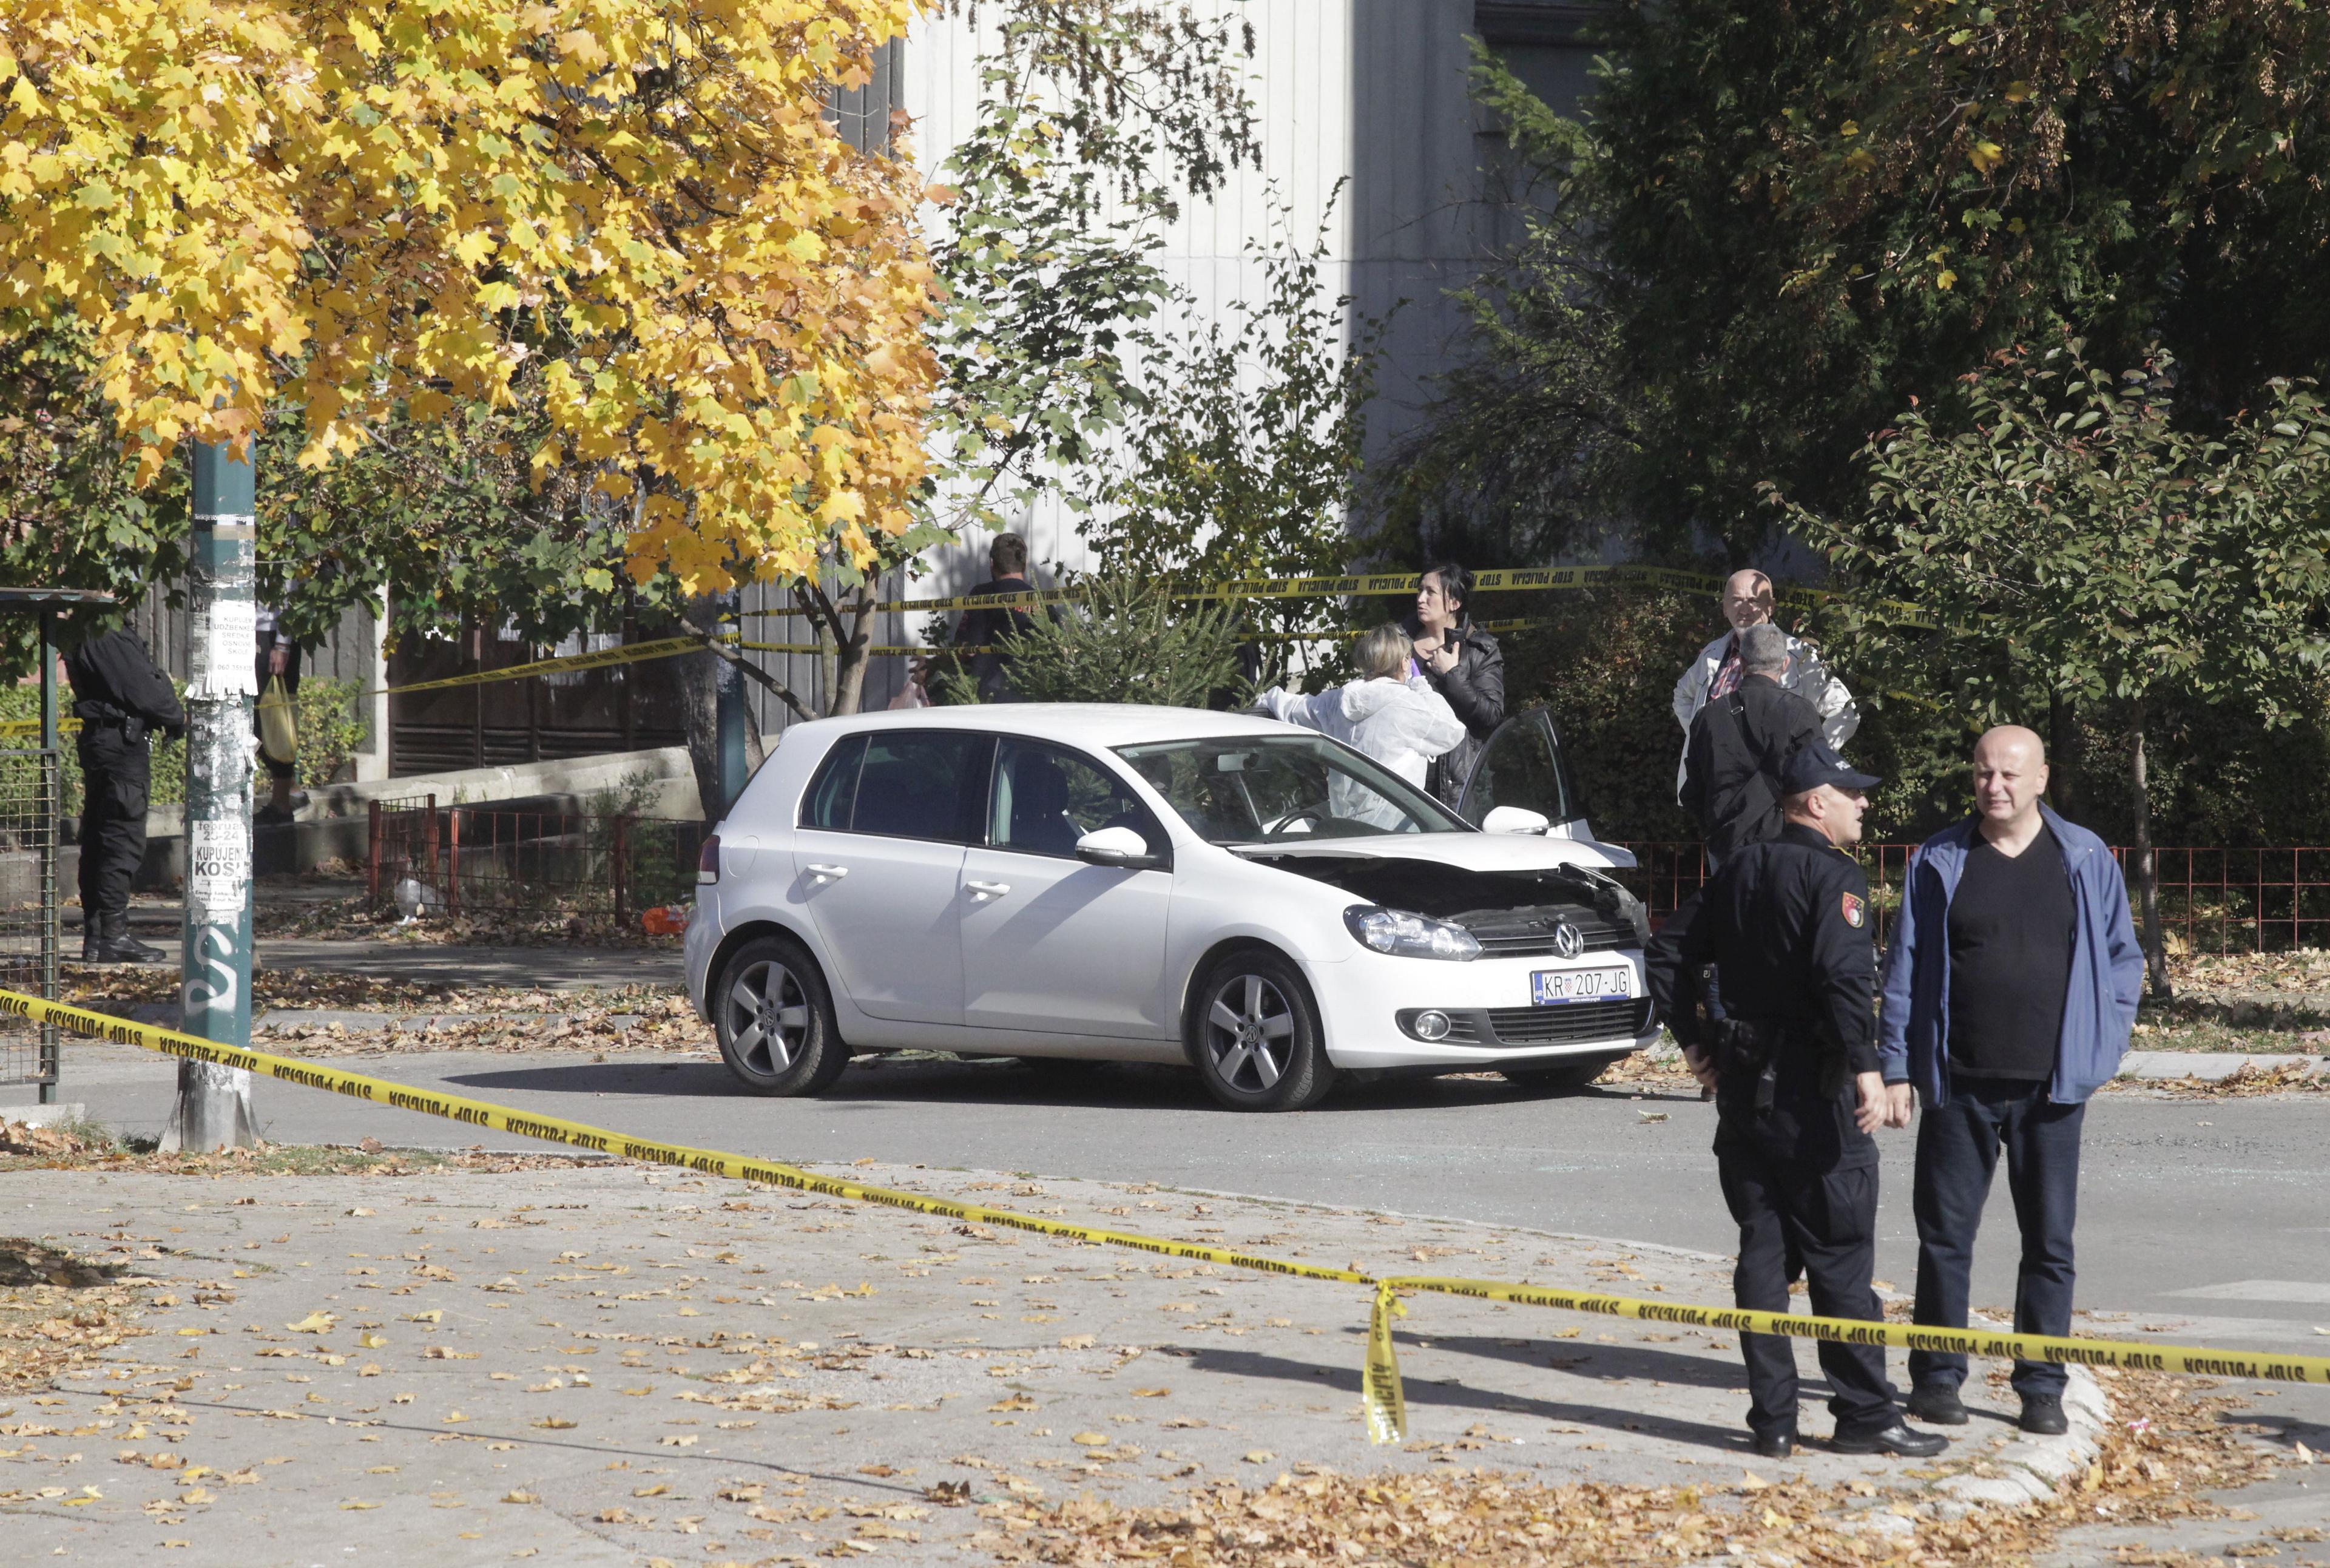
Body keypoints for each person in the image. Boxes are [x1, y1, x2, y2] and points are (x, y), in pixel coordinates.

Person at [1648, 738, 1946, 1461]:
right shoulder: (1834, 877)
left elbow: (1665, 954)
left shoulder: (1740, 867)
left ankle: (1773, 1422)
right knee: (1840, 1260)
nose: (1864, 803)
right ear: (1816, 803)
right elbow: (1843, 980)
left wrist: (1691, 1040)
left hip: (1746, 1096)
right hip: (1816, 1098)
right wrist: (1867, 1067)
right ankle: (1866, 1416)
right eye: (1852, 793)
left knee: (1763, 1257)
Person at [1878, 726, 2143, 1437]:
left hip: (2051, 1089)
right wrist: (1898, 1066)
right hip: (1957, 1081)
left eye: (2008, 775)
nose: (1994, 786)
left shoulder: (2084, 856)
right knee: (1944, 1240)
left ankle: (2041, 1385)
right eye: (1983, 773)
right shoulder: (1939, 857)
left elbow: (2123, 959)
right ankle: (1936, 1380)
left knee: (2050, 1244)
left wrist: (2105, 1044)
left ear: (2041, 780)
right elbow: (1903, 968)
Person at [1254, 626, 1465, 826]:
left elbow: (1296, 709)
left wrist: (1266, 700)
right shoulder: (1409, 704)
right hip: (1396, 827)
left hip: (1347, 824)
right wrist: (1421, 685)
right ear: (1405, 663)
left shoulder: (1338, 700)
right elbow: (1452, 732)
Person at [1672, 569, 1857, 796]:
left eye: (1754, 601)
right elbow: (1683, 696)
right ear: (1724, 608)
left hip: (1774, 796)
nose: (1745, 609)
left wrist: (1811, 762)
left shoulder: (1799, 655)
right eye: (1737, 600)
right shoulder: (1712, 654)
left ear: (1771, 607)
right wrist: (1702, 740)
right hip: (1717, 792)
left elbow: (1846, 711)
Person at [65, 620, 185, 964]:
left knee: (102, 838)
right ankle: (111, 937)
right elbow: (144, 690)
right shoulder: (104, 630)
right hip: (121, 745)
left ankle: (100, 936)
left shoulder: (87, 628)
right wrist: (175, 716)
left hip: (108, 742)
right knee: (121, 837)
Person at [1680, 623, 1823, 866]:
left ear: (1741, 662)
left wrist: (1715, 830)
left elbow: (1692, 792)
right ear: (1785, 664)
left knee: (1731, 904)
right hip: (1786, 846)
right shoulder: (1800, 712)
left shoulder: (1708, 717)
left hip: (1726, 845)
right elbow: (1819, 781)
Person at [1400, 563, 1504, 806]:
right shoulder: (1397, 644)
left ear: (1454, 604)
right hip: (1402, 780)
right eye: (1420, 591)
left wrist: (1451, 675)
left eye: (1431, 592)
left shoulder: (1480, 649)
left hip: (1458, 787)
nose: (1421, 599)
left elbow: (1491, 716)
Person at [954, 533, 1043, 702]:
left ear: (992, 564)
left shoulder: (980, 596)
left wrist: (935, 664)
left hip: (983, 696)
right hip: (1029, 696)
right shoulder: (1041, 600)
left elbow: (965, 648)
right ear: (1025, 564)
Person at [253, 601, 306, 825]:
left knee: (273, 722)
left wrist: (282, 645)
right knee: (252, 723)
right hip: (246, 631)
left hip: (273, 634)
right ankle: (291, 791)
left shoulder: (279, 566)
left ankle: (284, 801)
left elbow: (290, 595)